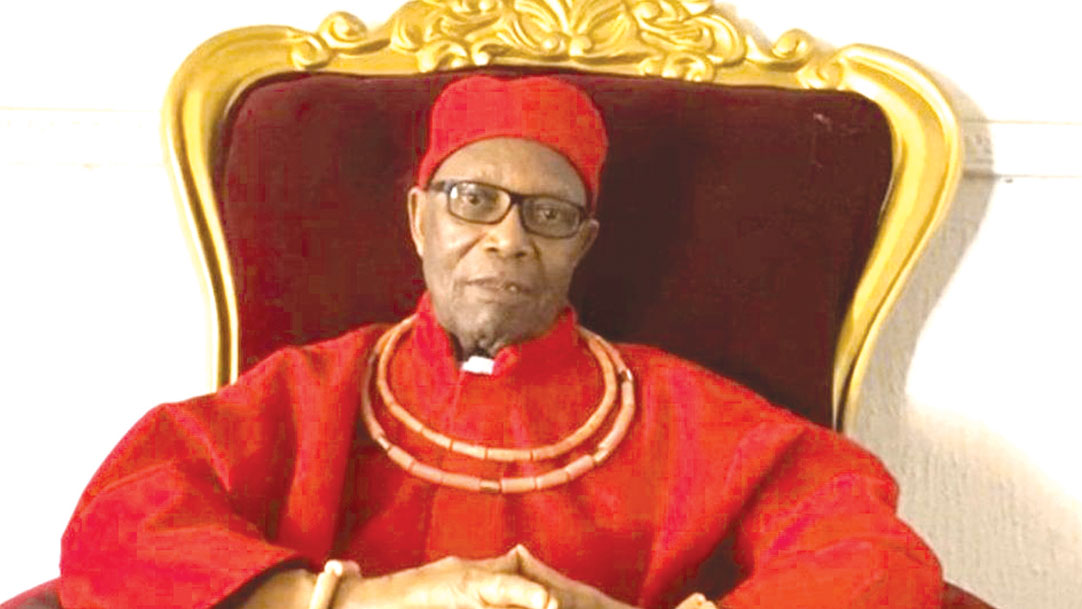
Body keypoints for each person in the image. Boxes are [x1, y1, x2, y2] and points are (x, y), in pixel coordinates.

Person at [58, 75, 942, 609]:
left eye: (547, 214)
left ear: (582, 243)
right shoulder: (305, 392)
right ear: (419, 219)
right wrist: (356, 600)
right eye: (473, 200)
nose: (508, 239)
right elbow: (115, 528)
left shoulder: (690, 415)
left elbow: (876, 556)